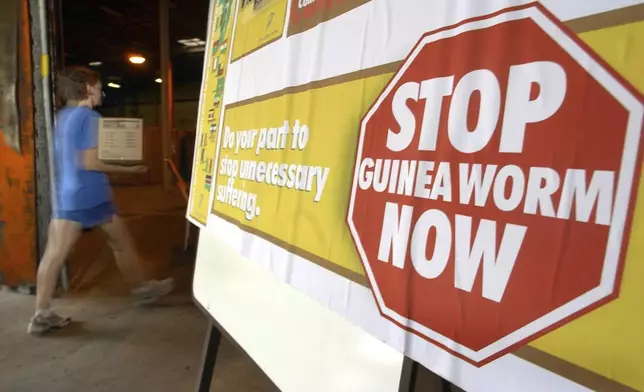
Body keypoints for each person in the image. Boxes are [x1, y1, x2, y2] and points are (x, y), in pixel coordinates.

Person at [28, 66, 174, 335]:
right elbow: (90, 162)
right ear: (86, 89)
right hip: (90, 194)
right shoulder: (89, 117)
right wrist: (130, 170)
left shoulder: (63, 116)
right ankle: (142, 289)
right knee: (117, 243)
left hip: (69, 193)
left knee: (63, 252)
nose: (101, 92)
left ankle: (42, 312)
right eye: (98, 86)